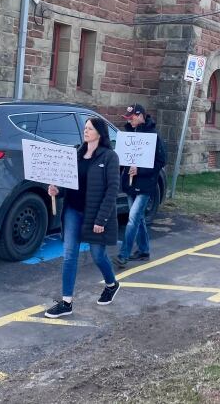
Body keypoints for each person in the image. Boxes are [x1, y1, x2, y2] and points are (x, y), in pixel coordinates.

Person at [45, 117, 121, 318]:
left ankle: (111, 284)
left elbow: (112, 190)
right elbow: (66, 183)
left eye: (89, 128)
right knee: (70, 255)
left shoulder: (109, 157)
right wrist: (56, 191)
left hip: (95, 214)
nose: (85, 131)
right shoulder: (76, 154)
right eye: (85, 128)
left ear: (99, 132)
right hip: (73, 211)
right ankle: (66, 302)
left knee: (98, 255)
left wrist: (101, 220)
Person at [114, 104, 166, 268]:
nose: (129, 121)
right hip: (129, 184)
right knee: (138, 218)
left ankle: (124, 254)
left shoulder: (153, 135)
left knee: (133, 219)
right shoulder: (128, 133)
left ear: (140, 115)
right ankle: (144, 251)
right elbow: (123, 159)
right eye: (127, 118)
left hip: (145, 185)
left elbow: (161, 160)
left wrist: (141, 170)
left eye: (132, 118)